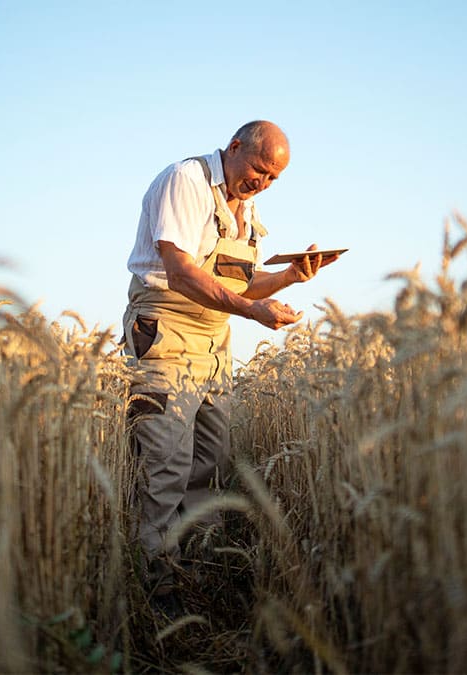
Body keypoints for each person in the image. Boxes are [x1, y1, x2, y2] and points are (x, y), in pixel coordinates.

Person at [121, 120, 339, 614]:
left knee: (210, 462)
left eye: (272, 179)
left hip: (214, 341)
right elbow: (179, 271)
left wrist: (287, 278)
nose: (262, 183)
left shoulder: (246, 208)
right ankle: (159, 594)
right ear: (235, 147)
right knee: (167, 465)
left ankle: (200, 576)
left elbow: (238, 285)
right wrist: (252, 313)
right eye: (259, 170)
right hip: (166, 333)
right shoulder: (187, 181)